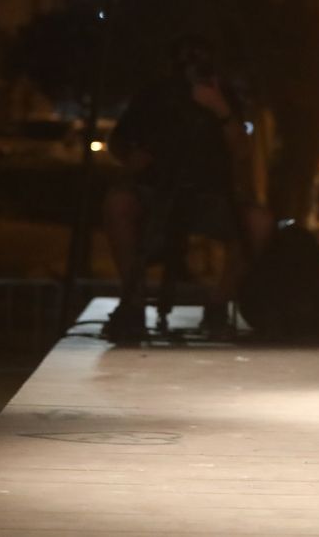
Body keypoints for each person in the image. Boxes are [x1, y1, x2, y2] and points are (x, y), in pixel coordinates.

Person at [103, 36, 274, 342]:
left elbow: (241, 150)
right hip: (155, 191)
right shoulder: (155, 96)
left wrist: (219, 108)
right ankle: (134, 300)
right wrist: (133, 160)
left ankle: (219, 304)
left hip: (210, 195)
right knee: (118, 203)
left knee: (258, 222)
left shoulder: (222, 95)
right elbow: (118, 141)